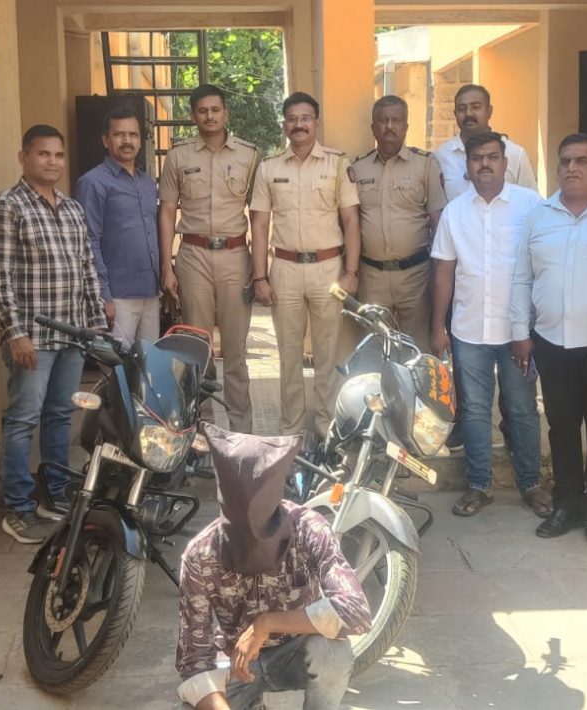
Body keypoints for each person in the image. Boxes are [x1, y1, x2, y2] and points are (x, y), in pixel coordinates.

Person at [176, 424, 371, 710]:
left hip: (298, 656)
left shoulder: (308, 529)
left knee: (333, 653)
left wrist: (266, 623)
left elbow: (356, 612)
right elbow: (193, 659)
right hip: (237, 664)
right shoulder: (200, 554)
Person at [0, 125, 108, 543]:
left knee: (60, 416)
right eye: (42, 154)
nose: (52, 162)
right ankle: (18, 507)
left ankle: (54, 494)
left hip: (71, 336)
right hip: (32, 339)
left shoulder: (72, 209)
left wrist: (95, 327)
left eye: (58, 155)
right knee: (23, 419)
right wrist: (14, 333)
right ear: (24, 158)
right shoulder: (5, 207)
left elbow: (87, 269)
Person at [510, 134, 587, 538]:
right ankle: (566, 502)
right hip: (551, 340)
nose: (571, 168)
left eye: (581, 161)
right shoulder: (539, 215)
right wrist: (520, 332)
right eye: (564, 161)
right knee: (561, 425)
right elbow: (522, 277)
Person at [431, 132, 544, 517]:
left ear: (505, 163)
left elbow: (544, 264)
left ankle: (531, 484)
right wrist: (438, 326)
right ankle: (479, 484)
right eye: (477, 158)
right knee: (475, 410)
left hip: (518, 333)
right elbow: (444, 271)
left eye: (492, 157)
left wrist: (536, 326)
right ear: (467, 166)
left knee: (522, 408)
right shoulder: (455, 212)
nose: (485, 164)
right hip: (469, 330)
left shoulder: (531, 205)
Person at [250, 92, 362, 436]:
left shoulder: (337, 164)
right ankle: (292, 428)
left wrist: (351, 272)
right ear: (284, 125)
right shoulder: (269, 167)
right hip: (284, 270)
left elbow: (351, 220)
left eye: (305, 118)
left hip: (329, 269)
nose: (299, 124)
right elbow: (259, 225)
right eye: (292, 119)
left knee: (328, 354)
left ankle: (326, 427)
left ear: (317, 122)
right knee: (288, 355)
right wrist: (260, 277)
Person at [159, 84, 260, 433]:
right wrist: (167, 266)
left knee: (236, 353)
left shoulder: (249, 156)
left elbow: (259, 214)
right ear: (193, 116)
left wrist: (259, 269)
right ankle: (201, 432)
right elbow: (167, 211)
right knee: (196, 351)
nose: (210, 116)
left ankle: (240, 433)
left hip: (235, 256)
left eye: (216, 110)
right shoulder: (178, 157)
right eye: (202, 111)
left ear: (226, 113)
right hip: (193, 256)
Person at [349, 95, 447, 350]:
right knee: (375, 348)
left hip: (415, 275)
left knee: (416, 350)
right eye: (382, 121)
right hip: (372, 276)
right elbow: (350, 222)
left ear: (406, 126)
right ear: (373, 127)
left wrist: (439, 272)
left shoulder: (426, 164)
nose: (389, 126)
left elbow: (438, 221)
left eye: (396, 121)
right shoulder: (358, 168)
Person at [75, 105, 161, 348]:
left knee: (149, 365)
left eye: (133, 135)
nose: (127, 141)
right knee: (118, 366)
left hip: (151, 293)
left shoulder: (147, 184)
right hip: (118, 296)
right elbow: (88, 241)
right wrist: (103, 295)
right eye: (119, 134)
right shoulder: (93, 183)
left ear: (140, 141)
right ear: (105, 140)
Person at [435, 84, 537, 201]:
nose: (468, 114)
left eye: (476, 107)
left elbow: (533, 203)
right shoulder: (441, 156)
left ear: (489, 111)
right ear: (455, 114)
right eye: (462, 109)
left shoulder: (514, 153)